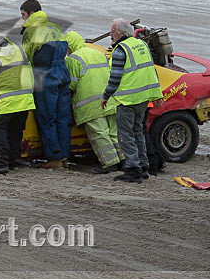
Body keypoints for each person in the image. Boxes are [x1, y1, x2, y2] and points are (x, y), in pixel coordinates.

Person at [101, 19, 164, 183]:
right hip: (142, 99)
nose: (110, 34)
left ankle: (133, 169)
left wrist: (106, 96)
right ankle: (143, 167)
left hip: (127, 100)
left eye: (112, 31)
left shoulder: (120, 50)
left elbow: (114, 78)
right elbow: (151, 70)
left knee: (125, 135)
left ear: (121, 33)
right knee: (138, 132)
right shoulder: (141, 45)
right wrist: (157, 95)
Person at [19, 0, 71, 167]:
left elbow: (25, 58)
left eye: (23, 14)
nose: (22, 19)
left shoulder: (30, 30)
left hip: (45, 74)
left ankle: (54, 158)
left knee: (47, 117)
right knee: (63, 117)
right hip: (63, 73)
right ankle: (64, 156)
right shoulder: (56, 28)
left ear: (31, 13)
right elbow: (66, 50)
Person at [0, 24, 35, 175]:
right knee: (15, 130)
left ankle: (1, 163)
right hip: (26, 98)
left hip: (8, 101)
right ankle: (14, 160)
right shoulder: (18, 49)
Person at [64, 31, 123, 174]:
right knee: (114, 132)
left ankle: (110, 163)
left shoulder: (73, 59)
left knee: (99, 134)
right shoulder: (97, 53)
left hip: (89, 103)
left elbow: (71, 85)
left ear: (70, 46)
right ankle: (124, 160)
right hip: (108, 99)